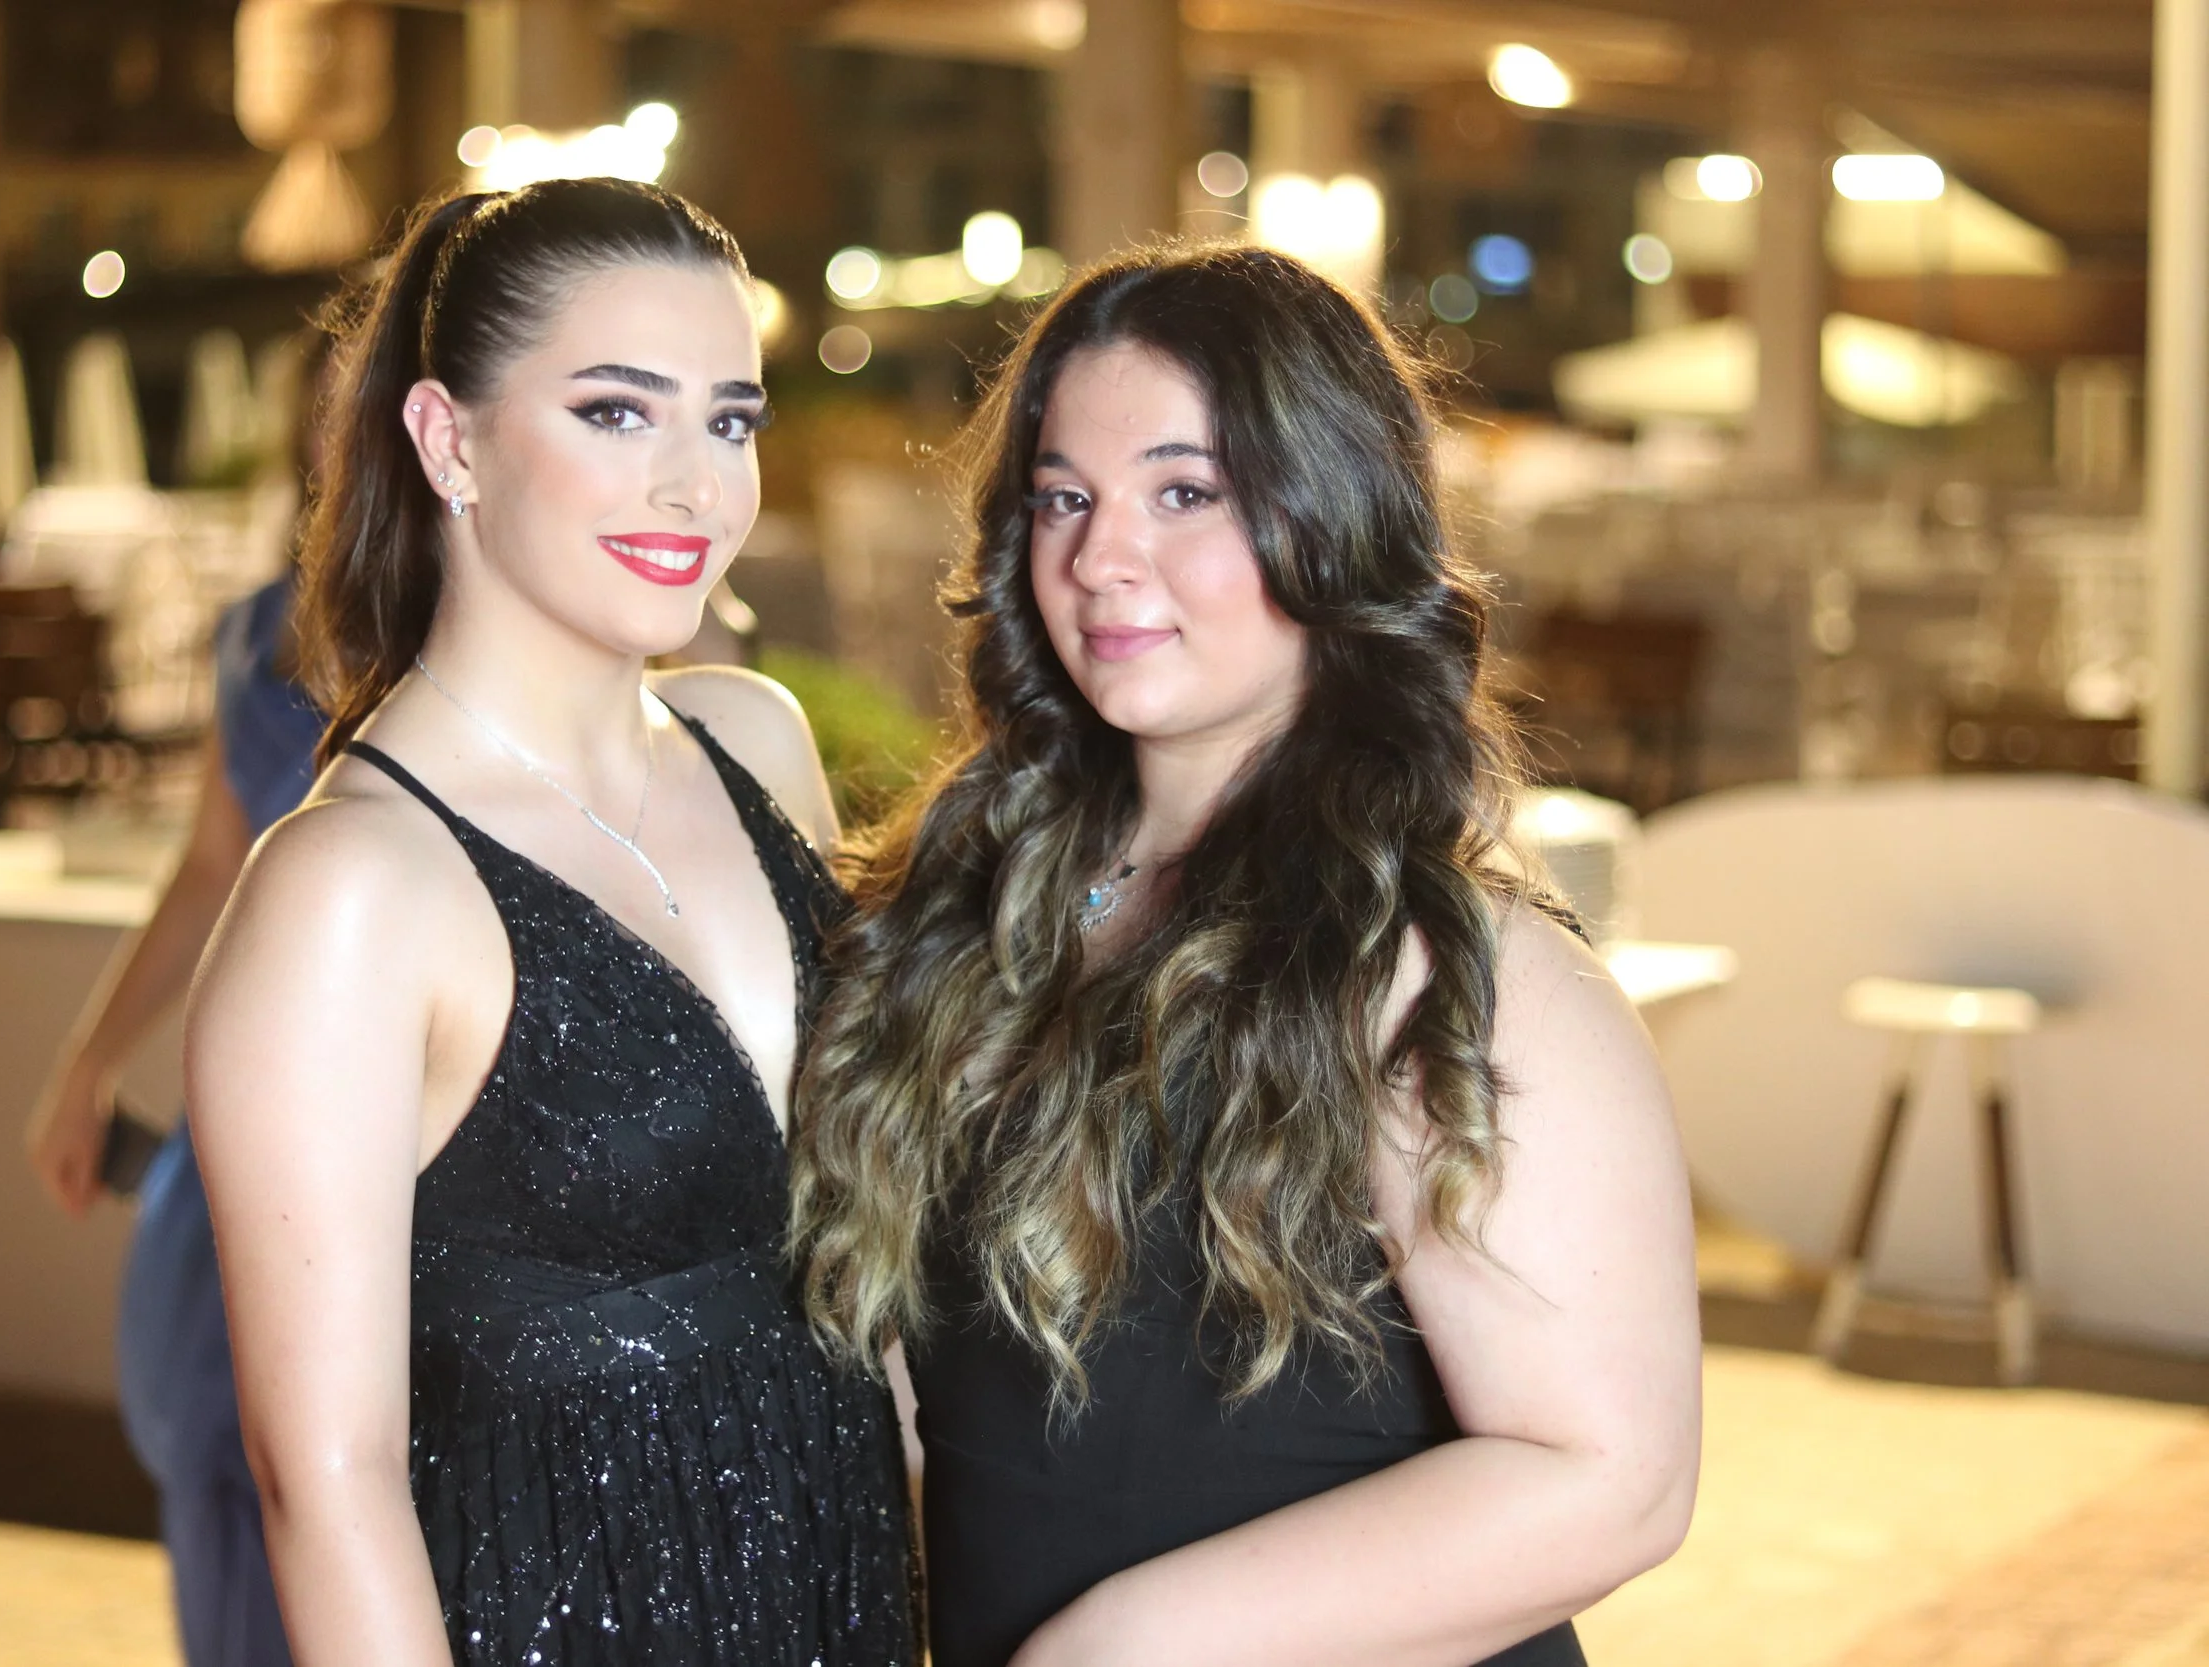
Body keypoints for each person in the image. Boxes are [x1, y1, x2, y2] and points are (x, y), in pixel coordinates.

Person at [791, 244, 1703, 1667]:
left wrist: (1118, 1643)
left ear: (1329, 516)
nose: (1101, 556)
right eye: (1063, 498)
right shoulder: (963, 915)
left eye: (1185, 492)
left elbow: (1612, 1478)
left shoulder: (1459, 972)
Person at [184, 179, 917, 1667]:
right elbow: (326, 1484)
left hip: (849, 1595)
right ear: (449, 439)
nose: (696, 486)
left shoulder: (754, 741)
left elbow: (870, 1283)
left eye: (730, 419)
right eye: (614, 413)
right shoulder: (352, 891)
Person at [27, 564, 318, 1667]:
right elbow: (209, 870)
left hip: (417, 1146)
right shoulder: (262, 631)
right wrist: (87, 1059)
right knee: (222, 1464)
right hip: (243, 1140)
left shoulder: (484, 597)